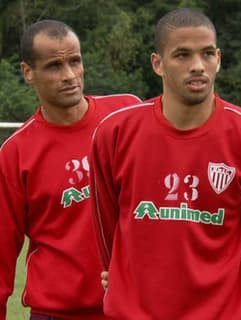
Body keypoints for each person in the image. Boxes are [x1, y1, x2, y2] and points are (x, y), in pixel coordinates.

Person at [89, 8, 241, 320]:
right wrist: (125, 276)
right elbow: (106, 228)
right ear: (158, 64)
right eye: (182, 55)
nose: (197, 66)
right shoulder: (115, 133)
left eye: (207, 54)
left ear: (218, 59)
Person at [0, 19, 142, 320]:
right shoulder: (15, 153)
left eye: (75, 61)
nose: (69, 76)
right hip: (57, 313)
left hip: (133, 308)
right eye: (54, 66)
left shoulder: (126, 116)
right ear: (28, 72)